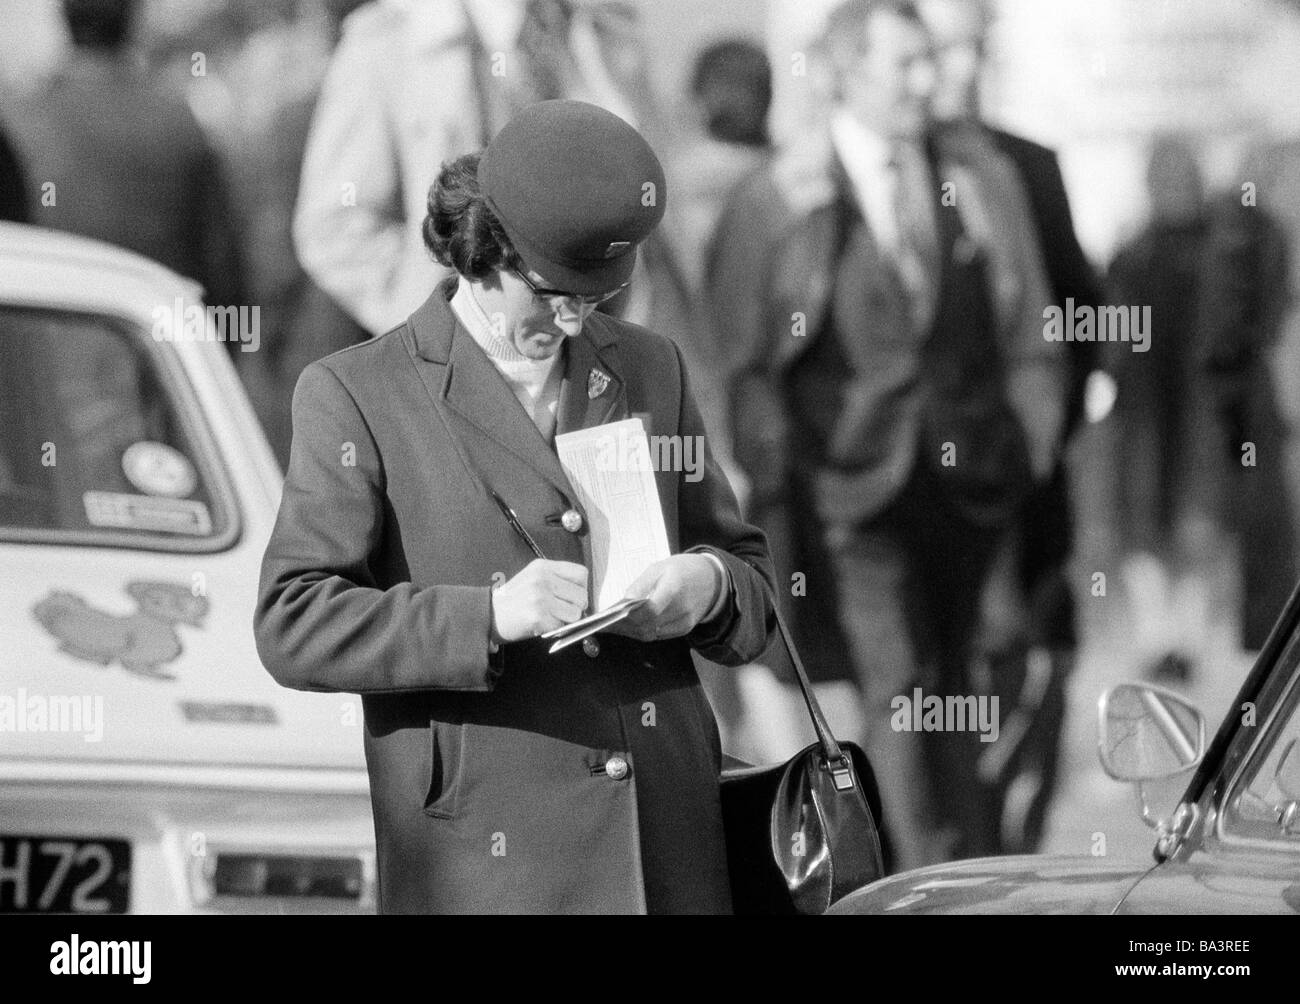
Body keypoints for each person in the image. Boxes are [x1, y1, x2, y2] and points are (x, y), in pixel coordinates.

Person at [254, 100, 776, 915]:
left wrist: (703, 590)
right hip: (490, 856)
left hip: (663, 839)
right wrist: (488, 616)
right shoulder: (356, 393)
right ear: (480, 255)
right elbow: (293, 622)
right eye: (549, 295)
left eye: (596, 299)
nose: (572, 319)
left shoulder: (650, 367)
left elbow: (751, 581)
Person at [708, 0, 1065, 869]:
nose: (926, 81)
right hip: (850, 498)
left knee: (976, 689)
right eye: (903, 64)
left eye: (928, 62)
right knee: (901, 687)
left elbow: (1031, 327)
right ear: (843, 71)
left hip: (975, 488)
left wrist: (1033, 440)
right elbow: (738, 360)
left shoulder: (978, 176)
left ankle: (970, 869)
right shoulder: (777, 194)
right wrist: (776, 475)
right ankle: (921, 880)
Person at [918, 0, 1106, 854]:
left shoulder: (1027, 164)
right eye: (943, 53)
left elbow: (1078, 309)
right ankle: (954, 846)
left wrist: (1041, 431)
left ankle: (1013, 840)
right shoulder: (876, 171)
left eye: (972, 52)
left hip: (1019, 477)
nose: (959, 72)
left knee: (1034, 652)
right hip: (917, 482)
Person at [1107, 136, 1296, 676]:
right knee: (1146, 525)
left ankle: (1185, 642)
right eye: (1163, 179)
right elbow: (1113, 341)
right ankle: (1157, 639)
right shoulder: (1134, 256)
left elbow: (1261, 311)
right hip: (1148, 414)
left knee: (1200, 523)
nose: (1174, 190)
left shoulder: (1236, 244)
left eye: (1182, 177)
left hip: (1205, 415)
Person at [4, 0, 243, 321]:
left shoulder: (20, 120)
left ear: (63, 18)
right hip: (154, 342)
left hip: (43, 343)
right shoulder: (178, 120)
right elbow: (222, 265)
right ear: (133, 18)